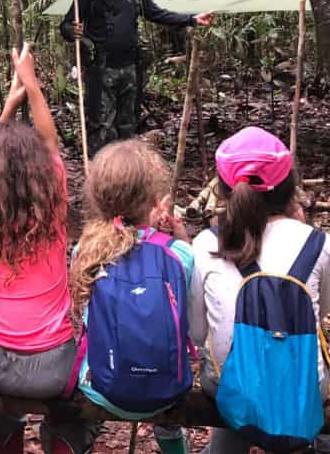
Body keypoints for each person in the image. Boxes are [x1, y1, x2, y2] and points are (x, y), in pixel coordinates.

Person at [0, 45, 87, 454]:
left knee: (0, 408)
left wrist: (8, 108)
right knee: (70, 411)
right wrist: (29, 84)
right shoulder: (51, 208)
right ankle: (64, 441)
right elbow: (50, 144)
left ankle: (7, 439)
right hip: (56, 368)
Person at [188, 127, 330, 453]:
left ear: (225, 190)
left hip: (231, 385)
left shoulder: (205, 244)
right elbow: (322, 313)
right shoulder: (320, 244)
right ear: (288, 187)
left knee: (238, 384)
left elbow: (198, 333)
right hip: (301, 384)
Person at [67, 139, 194, 454]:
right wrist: (179, 237)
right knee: (169, 417)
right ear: (154, 201)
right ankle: (172, 443)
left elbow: (82, 314)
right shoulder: (179, 255)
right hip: (167, 389)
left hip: (102, 388)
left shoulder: (84, 251)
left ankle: (77, 439)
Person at [60, 0, 214, 155]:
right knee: (101, 127)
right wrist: (71, 30)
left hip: (130, 70)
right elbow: (65, 26)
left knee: (128, 126)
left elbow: (157, 14)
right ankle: (100, 175)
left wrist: (191, 19)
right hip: (101, 71)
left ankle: (127, 175)